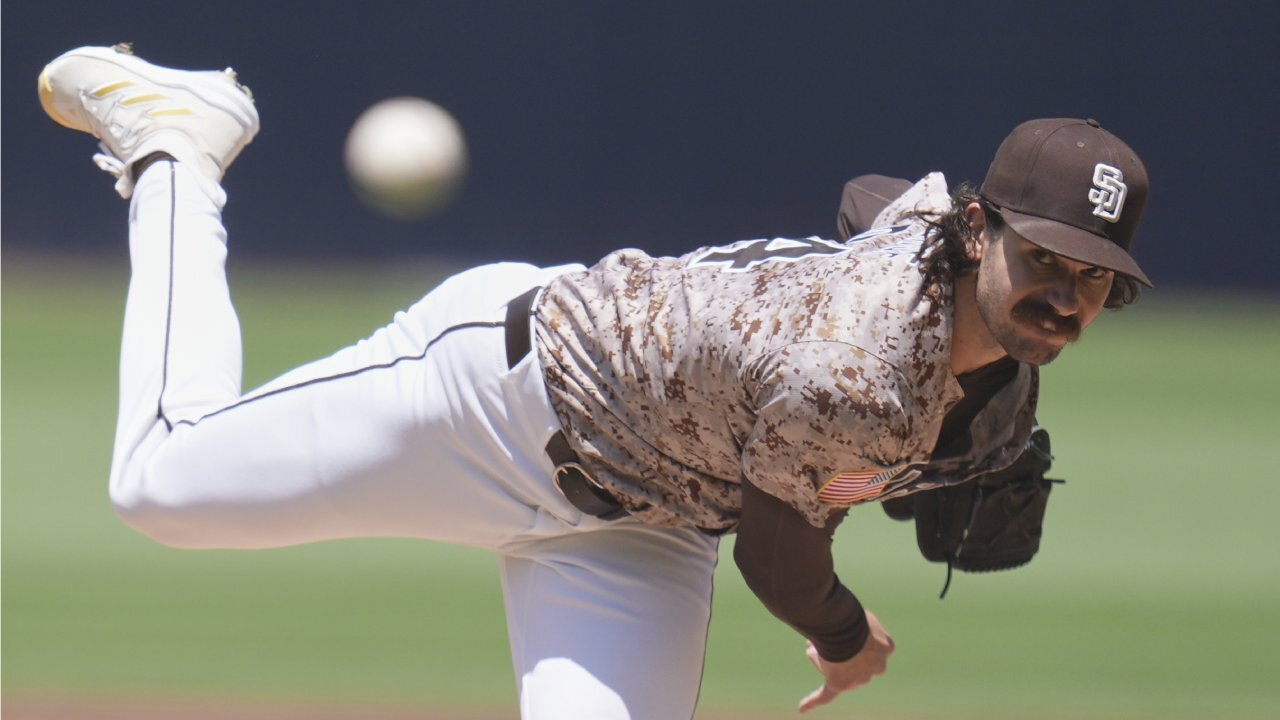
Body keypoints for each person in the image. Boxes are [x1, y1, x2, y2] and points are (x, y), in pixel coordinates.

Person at [39, 44, 1151, 719]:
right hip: (497, 401)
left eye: (1091, 277)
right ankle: (178, 149)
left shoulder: (924, 231)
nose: (1063, 293)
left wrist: (957, 396)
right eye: (1043, 258)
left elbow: (867, 198)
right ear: (978, 227)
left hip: (646, 523)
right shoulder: (859, 379)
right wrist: (848, 634)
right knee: (156, 487)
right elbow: (778, 564)